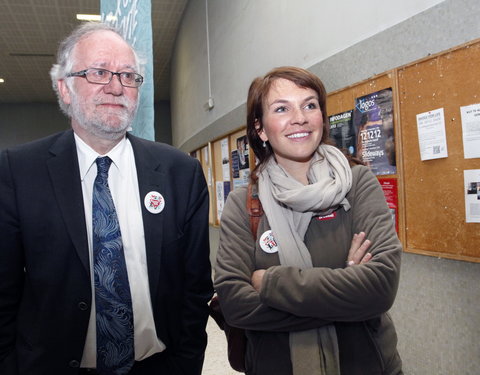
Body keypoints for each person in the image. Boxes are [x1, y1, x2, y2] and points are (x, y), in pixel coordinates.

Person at [0, 22, 213, 375]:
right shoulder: (17, 172)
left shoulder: (180, 173)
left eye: (128, 76)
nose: (116, 86)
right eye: (99, 72)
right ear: (65, 89)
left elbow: (195, 289)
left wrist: (185, 364)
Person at [214, 66, 402, 375]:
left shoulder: (358, 185)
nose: (299, 117)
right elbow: (235, 304)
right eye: (282, 108)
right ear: (261, 129)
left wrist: (271, 283)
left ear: (321, 118)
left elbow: (380, 287)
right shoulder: (244, 205)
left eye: (309, 105)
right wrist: (348, 293)